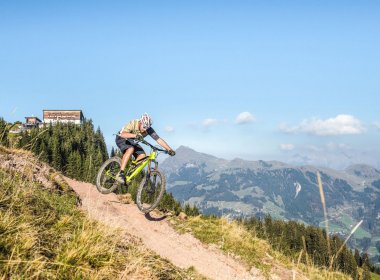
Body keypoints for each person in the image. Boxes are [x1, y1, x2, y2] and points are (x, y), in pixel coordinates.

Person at [115, 113, 175, 184]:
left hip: (132, 141)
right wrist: (135, 135)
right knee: (130, 149)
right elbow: (123, 134)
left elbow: (158, 139)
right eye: (144, 127)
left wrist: (169, 149)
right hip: (122, 138)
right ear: (140, 122)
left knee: (142, 155)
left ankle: (129, 173)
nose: (144, 129)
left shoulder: (148, 129)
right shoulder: (133, 123)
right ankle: (120, 173)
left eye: (146, 128)